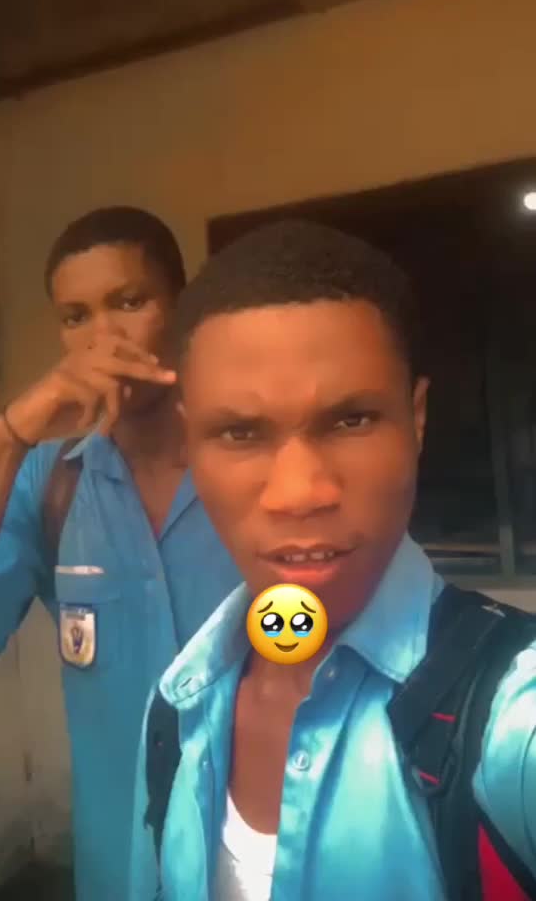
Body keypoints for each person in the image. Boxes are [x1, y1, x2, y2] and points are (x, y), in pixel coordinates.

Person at [131, 219, 536, 900]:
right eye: (240, 432)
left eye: (351, 420)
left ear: (417, 418)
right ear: (189, 442)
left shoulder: (510, 719)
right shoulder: (175, 707)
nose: (300, 493)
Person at [0, 206, 241, 901]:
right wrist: (11, 434)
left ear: (182, 308)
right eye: (76, 317)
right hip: (120, 873)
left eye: (129, 302)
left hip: (262, 867)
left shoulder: (250, 464)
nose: (102, 339)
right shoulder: (49, 481)